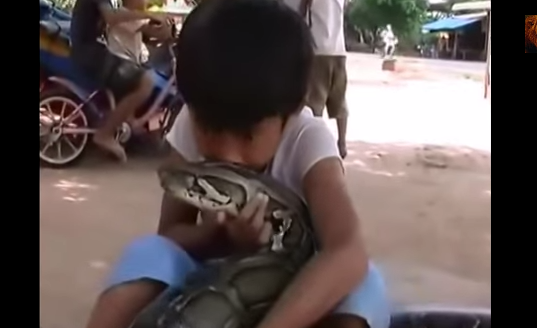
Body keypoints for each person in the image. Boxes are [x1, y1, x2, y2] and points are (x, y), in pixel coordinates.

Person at [84, 1, 390, 328]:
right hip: (216, 280)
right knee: (148, 252)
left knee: (363, 283)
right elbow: (170, 235)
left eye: (247, 135)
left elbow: (347, 249)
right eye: (211, 128)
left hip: (297, 293)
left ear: (293, 110)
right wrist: (220, 235)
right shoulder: (188, 123)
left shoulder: (308, 139)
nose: (227, 153)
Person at [70, 0, 170, 162]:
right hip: (89, 54)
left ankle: (128, 128)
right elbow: (111, 17)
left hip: (92, 51)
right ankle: (105, 133)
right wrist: (148, 14)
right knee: (146, 81)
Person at [290, 0, 350, 158]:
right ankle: (342, 143)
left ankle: (312, 145)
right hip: (338, 50)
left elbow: (301, 11)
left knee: (313, 103)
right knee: (339, 99)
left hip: (317, 49)